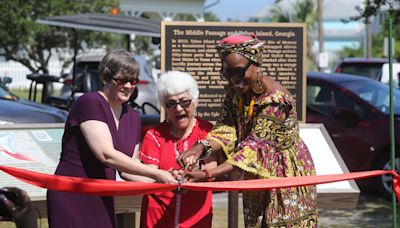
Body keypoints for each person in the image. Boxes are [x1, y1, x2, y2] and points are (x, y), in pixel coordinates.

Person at [178, 33, 318, 227]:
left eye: (238, 71)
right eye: (226, 73)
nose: (233, 79)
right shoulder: (235, 93)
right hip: (255, 175)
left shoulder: (275, 99)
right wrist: (199, 148)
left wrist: (208, 175)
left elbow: (254, 149)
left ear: (256, 64)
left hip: (284, 178)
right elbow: (226, 130)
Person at [46, 49, 177, 228]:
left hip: (102, 196)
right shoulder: (90, 103)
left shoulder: (133, 116)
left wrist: (165, 182)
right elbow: (106, 154)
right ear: (105, 78)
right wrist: (157, 172)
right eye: (121, 80)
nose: (129, 86)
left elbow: (127, 170)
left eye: (133, 81)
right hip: (72, 193)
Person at [127, 71, 215, 228]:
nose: (178, 108)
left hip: (197, 217)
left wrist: (191, 175)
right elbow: (149, 174)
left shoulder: (207, 132)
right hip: (158, 217)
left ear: (195, 102)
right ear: (164, 106)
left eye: (184, 102)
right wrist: (165, 177)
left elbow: (211, 170)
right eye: (171, 104)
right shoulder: (154, 135)